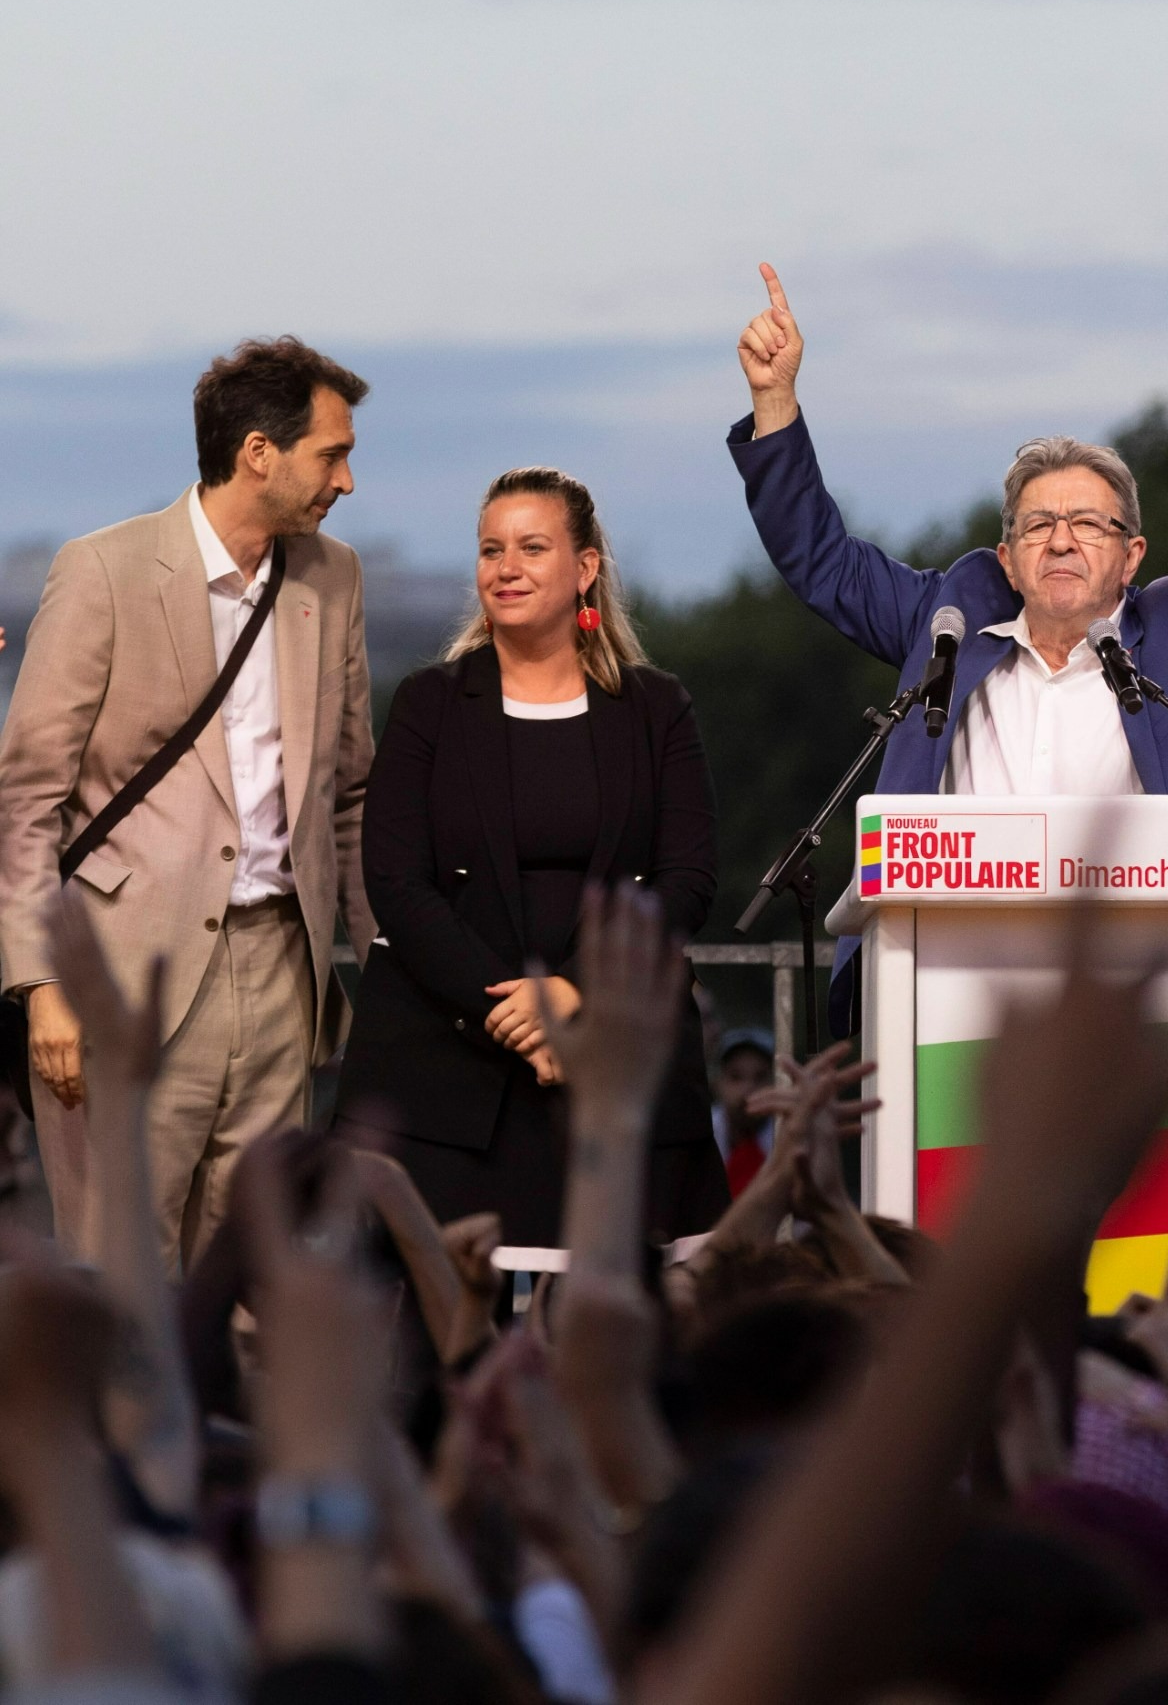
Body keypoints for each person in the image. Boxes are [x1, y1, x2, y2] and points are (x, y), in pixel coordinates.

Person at [727, 264, 1168, 1063]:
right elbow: (821, 561)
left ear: (1131, 555)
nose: (1063, 540)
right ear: (1006, 559)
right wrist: (775, 404)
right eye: (1038, 525)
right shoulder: (945, 625)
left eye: (1088, 524)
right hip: (955, 1001)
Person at [0, 337, 377, 1266]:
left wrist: (382, 965)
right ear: (259, 452)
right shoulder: (103, 571)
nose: (348, 480)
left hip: (289, 971)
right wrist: (42, 988)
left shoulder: (334, 577)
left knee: (251, 1280)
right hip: (121, 980)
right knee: (121, 1278)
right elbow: (26, 801)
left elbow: (351, 792)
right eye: (332, 453)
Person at [332, 467, 726, 1247]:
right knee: (433, 1341)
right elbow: (395, 882)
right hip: (448, 1061)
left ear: (585, 569)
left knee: (619, 1340)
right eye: (490, 549)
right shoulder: (429, 703)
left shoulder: (655, 708)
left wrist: (575, 994)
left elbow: (688, 880)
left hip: (613, 1054)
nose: (504, 568)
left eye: (531, 547)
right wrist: (514, 1015)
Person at [713, 1026, 780, 1193]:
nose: (748, 1089)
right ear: (717, 1084)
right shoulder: (695, 1134)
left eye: (760, 1077)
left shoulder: (792, 1136)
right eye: (736, 1077)